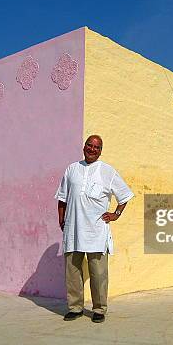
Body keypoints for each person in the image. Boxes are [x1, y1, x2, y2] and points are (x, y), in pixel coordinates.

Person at [55, 135, 134, 323]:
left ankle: (99, 309)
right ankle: (75, 307)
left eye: (96, 147)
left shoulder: (107, 171)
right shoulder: (72, 169)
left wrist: (116, 214)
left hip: (96, 232)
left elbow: (124, 195)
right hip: (73, 229)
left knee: (98, 274)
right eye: (89, 145)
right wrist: (61, 218)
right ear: (84, 147)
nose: (92, 149)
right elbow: (62, 197)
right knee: (73, 272)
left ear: (101, 151)